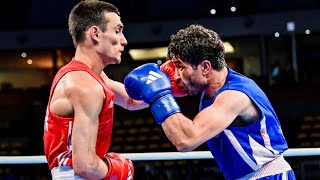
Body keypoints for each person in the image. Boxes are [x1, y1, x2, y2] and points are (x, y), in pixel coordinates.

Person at [124, 24, 296, 179]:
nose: (176, 76)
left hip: (268, 176)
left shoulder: (233, 96)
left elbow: (185, 140)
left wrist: (160, 95)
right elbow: (131, 101)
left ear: (205, 67)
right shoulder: (209, 90)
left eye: (181, 67)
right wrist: (99, 77)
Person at [43, 0, 148, 179]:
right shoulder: (85, 86)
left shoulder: (91, 77)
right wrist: (119, 171)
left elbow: (131, 100)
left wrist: (174, 84)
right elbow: (85, 165)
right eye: (118, 31)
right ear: (95, 34)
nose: (124, 41)